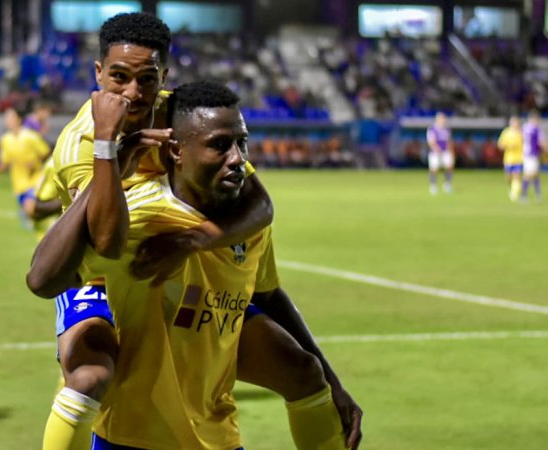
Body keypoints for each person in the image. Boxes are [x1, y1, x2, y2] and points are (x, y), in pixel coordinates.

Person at [28, 80, 361, 450]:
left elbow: (268, 294)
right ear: (176, 151)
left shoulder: (246, 220)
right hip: (133, 440)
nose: (238, 158)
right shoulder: (140, 221)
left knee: (305, 370)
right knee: (88, 378)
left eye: (242, 143)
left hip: (217, 436)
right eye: (219, 145)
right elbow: (45, 278)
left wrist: (332, 382)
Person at [0, 104, 52, 227]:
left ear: (18, 119)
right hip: (19, 184)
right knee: (34, 218)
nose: (7, 120)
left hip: (35, 180)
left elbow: (46, 152)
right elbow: (6, 161)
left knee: (31, 209)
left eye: (10, 117)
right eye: (6, 117)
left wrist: (35, 162)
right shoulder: (5, 139)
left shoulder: (31, 136)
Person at [520, 111, 548, 202]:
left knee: (535, 174)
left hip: (526, 153)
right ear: (534, 119)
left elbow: (521, 140)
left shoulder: (524, 128)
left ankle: (538, 195)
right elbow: (542, 142)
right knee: (529, 174)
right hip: (532, 154)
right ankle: (523, 195)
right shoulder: (536, 129)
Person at [426, 112, 454, 195]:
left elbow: (448, 141)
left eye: (443, 119)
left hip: (445, 151)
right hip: (435, 152)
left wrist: (450, 151)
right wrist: (436, 149)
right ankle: (433, 186)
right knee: (433, 169)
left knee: (449, 167)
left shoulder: (447, 129)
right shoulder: (432, 129)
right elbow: (431, 141)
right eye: (441, 119)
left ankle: (447, 185)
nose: (443, 120)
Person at [497, 116, 524, 202]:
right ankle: (511, 188)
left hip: (519, 158)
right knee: (509, 177)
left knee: (516, 176)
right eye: (513, 122)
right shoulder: (506, 132)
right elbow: (500, 145)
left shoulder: (521, 133)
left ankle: (514, 193)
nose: (515, 124)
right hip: (508, 159)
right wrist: (507, 146)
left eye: (516, 122)